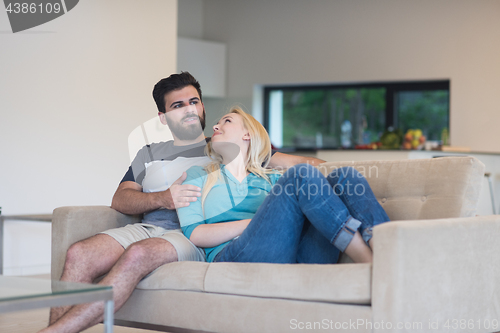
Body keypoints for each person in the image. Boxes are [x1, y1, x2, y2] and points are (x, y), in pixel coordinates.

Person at [40, 72, 325, 333]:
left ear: (202, 107)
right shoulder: (148, 153)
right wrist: (164, 199)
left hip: (190, 234)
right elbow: (120, 199)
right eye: (178, 105)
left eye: (194, 101)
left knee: (138, 255)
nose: (189, 109)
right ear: (163, 117)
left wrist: (345, 174)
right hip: (148, 227)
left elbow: (302, 164)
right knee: (79, 253)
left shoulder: (227, 143)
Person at [177, 107, 390, 264]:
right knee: (300, 175)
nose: (215, 126)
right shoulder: (198, 175)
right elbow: (194, 234)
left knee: (345, 176)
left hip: (296, 256)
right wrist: (256, 222)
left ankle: (388, 249)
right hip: (234, 255)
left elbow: (316, 178)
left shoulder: (272, 178)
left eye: (227, 121)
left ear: (247, 134)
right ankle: (370, 263)